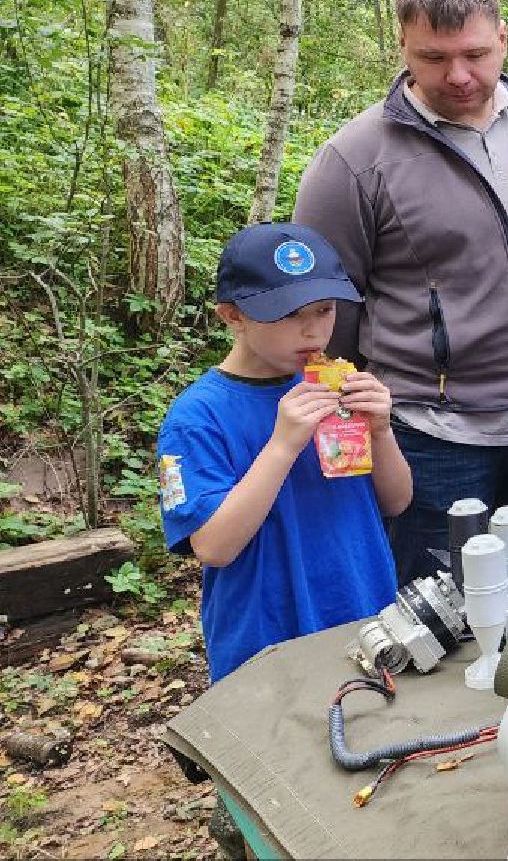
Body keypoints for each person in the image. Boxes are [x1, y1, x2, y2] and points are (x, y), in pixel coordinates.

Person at [293, 0, 508, 583]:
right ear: (402, 44)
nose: (458, 75)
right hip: (433, 441)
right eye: (434, 57)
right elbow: (323, 317)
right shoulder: (356, 160)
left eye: (475, 54)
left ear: (503, 38)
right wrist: (354, 430)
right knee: (442, 620)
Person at [158, 223, 412, 682]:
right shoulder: (197, 417)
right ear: (233, 317)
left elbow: (396, 501)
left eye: (324, 310)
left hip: (363, 617)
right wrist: (282, 444)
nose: (312, 331)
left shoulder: (336, 387)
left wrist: (380, 431)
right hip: (266, 643)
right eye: (288, 314)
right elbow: (213, 548)